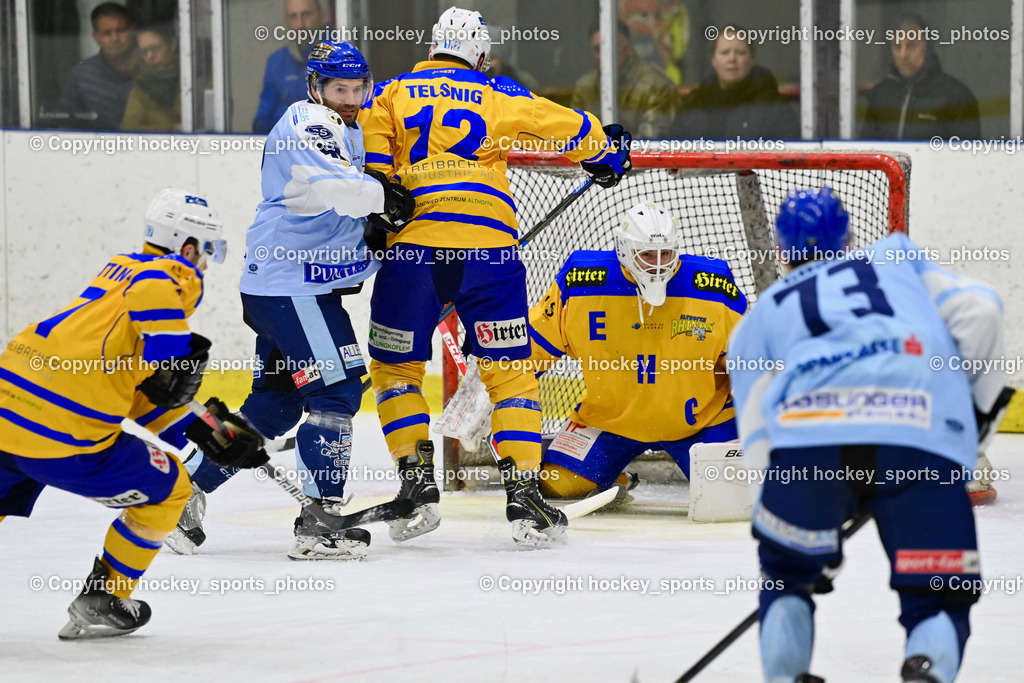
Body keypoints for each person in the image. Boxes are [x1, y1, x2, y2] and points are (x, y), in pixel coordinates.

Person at [362, 5, 628, 549]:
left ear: (432, 46)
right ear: (479, 53)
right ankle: (524, 499)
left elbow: (373, 172)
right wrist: (606, 151)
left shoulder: (388, 93)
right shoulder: (497, 91)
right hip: (489, 252)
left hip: (414, 252)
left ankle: (416, 490)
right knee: (511, 374)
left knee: (396, 370)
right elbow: (565, 125)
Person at [727, 188, 1007, 682]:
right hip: (918, 438)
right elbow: (983, 310)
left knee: (787, 582)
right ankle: (927, 669)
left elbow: (758, 436)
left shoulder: (761, 316)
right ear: (852, 237)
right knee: (939, 593)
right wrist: (970, 428)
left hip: (808, 448)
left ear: (779, 252)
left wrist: (796, 536)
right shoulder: (896, 259)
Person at [169, 41, 414, 561]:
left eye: (357, 89)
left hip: (286, 287)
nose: (350, 98)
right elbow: (340, 189)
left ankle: (179, 497)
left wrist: (371, 227)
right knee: (339, 394)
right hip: (292, 287)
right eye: (338, 89)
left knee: (275, 406)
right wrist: (382, 200)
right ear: (315, 87)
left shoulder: (347, 126)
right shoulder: (309, 122)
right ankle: (320, 523)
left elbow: (335, 205)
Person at [0, 188, 267, 639]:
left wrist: (203, 432)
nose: (206, 264)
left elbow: (138, 390)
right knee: (171, 491)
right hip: (65, 432)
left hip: (8, 409)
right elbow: (158, 332)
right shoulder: (166, 277)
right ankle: (105, 596)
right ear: (186, 247)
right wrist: (174, 351)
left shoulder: (117, 274)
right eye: (208, 251)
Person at [522, 201, 746, 500]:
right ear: (624, 250)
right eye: (646, 255)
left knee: (736, 492)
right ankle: (615, 478)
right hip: (609, 420)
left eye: (665, 253)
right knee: (557, 484)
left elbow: (747, 359)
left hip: (703, 421)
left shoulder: (712, 285)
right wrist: (492, 391)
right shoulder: (580, 282)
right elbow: (533, 347)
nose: (657, 264)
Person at [861, 13, 980, 141]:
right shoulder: (881, 94)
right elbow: (867, 151)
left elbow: (967, 156)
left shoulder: (956, 95)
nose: (903, 54)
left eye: (911, 45)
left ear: (927, 47)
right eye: (897, 46)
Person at [673, 28, 798, 140]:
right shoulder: (695, 103)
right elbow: (673, 151)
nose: (732, 59)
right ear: (713, 59)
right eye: (725, 52)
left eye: (740, 52)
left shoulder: (773, 106)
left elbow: (790, 153)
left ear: (752, 59)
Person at [572, 20, 678, 139]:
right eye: (598, 49)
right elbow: (574, 135)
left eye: (611, 47)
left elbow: (649, 142)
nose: (605, 55)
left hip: (636, 156)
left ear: (629, 48)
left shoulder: (657, 85)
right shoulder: (585, 86)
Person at [252, 0, 331, 134]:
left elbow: (337, 120)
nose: (300, 25)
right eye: (293, 16)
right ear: (286, 21)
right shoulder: (276, 62)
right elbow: (261, 122)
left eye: (306, 14)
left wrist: (283, 115)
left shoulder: (339, 57)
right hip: (285, 149)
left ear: (323, 16)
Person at [55, 3, 137, 131]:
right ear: (96, 38)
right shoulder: (81, 76)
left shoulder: (150, 65)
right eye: (106, 33)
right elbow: (66, 126)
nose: (115, 38)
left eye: (120, 30)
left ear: (131, 31)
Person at [120, 22, 180, 131]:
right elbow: (129, 129)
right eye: (143, 51)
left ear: (172, 43)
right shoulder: (141, 86)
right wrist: (172, 129)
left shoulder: (195, 77)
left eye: (155, 48)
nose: (149, 56)